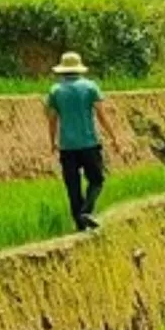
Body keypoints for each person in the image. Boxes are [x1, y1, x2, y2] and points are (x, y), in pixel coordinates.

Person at [47, 51, 109, 232]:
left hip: (67, 146)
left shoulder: (55, 90)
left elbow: (52, 120)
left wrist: (52, 141)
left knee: (73, 187)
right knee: (97, 180)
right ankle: (86, 211)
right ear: (79, 68)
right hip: (89, 143)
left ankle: (80, 226)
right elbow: (101, 115)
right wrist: (113, 136)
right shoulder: (90, 87)